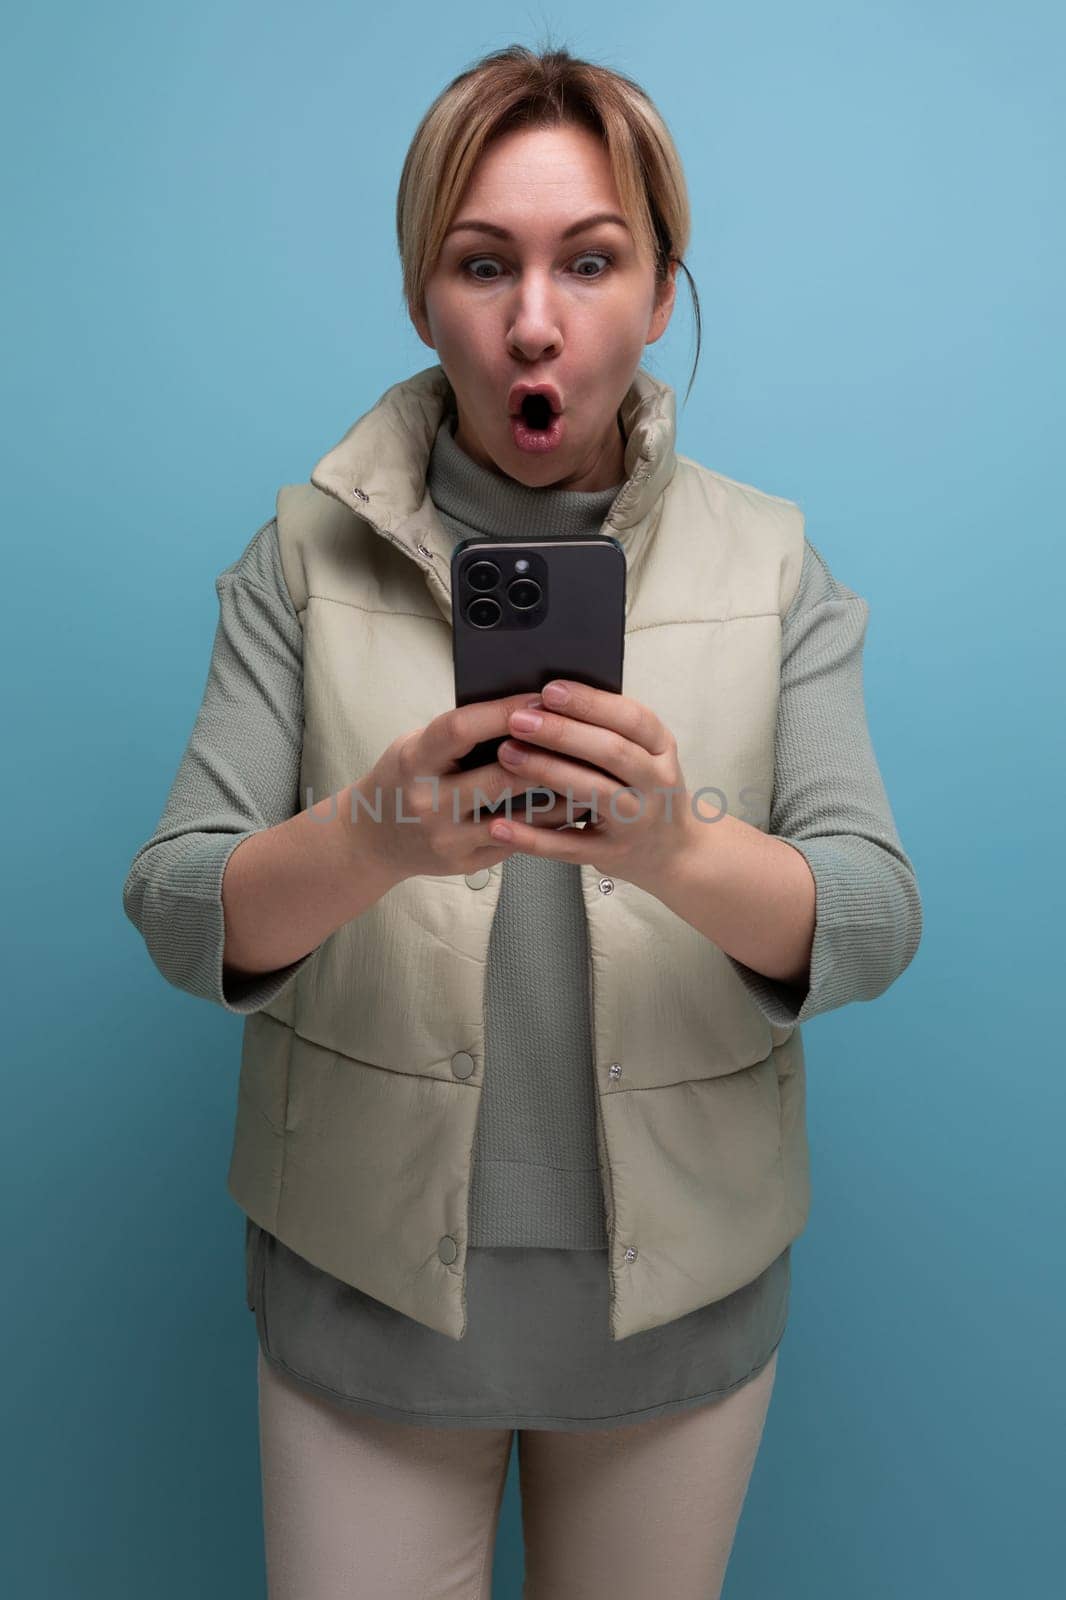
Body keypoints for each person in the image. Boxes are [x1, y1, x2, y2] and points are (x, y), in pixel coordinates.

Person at [122, 42, 923, 1600]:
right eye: (482, 264)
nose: (535, 319)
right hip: (362, 1298)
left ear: (661, 286)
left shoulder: (772, 565)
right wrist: (372, 832)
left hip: (679, 1310)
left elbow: (872, 915)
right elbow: (175, 904)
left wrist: (675, 847)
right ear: (424, 294)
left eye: (592, 260)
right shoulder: (296, 553)